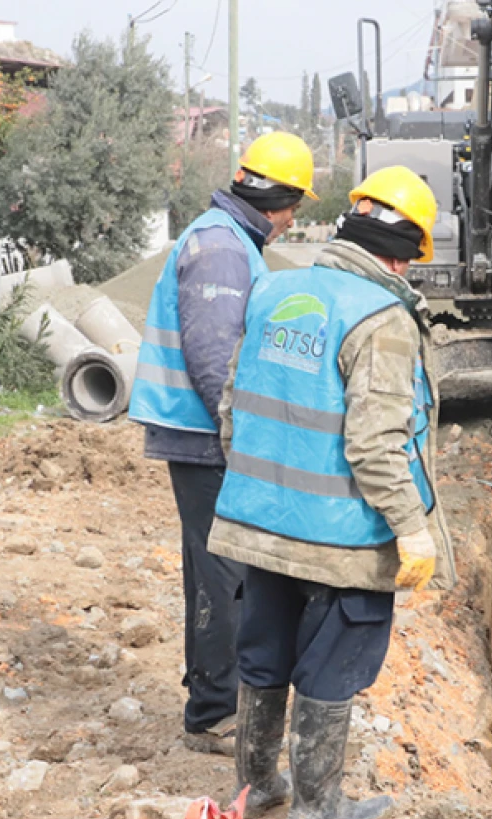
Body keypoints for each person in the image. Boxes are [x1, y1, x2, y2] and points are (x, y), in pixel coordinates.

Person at [207, 166, 457, 819]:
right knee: (332, 660)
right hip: (342, 534)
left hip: (261, 522)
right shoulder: (383, 319)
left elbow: (233, 407)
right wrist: (411, 528)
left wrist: (267, 486)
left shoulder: (275, 289)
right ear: (405, 254)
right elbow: (376, 445)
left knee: (263, 650)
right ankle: (317, 805)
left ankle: (256, 786)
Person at [128, 132, 317, 756]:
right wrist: (242, 440)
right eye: (295, 208)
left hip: (203, 432)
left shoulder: (228, 240)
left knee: (214, 571)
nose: (293, 223)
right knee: (226, 576)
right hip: (205, 434)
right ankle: (214, 713)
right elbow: (213, 357)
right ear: (280, 199)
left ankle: (211, 700)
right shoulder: (221, 249)